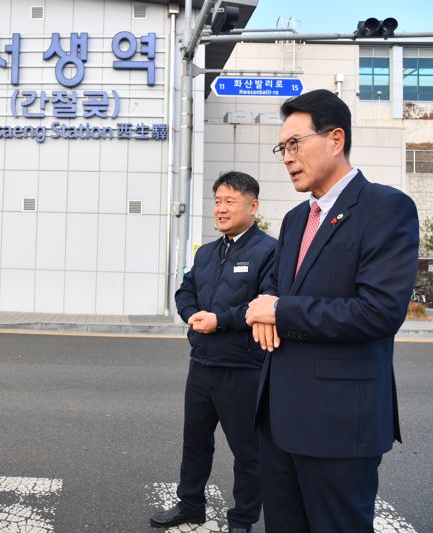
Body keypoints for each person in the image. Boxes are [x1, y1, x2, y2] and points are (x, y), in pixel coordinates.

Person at [245, 89, 419, 532]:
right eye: (282, 148)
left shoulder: (386, 208)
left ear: (335, 139)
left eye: (295, 144)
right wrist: (265, 307)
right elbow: (275, 285)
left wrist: (280, 312)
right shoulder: (294, 219)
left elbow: (378, 311)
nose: (287, 157)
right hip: (279, 419)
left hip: (339, 425)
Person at [150, 172, 275, 533]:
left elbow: (265, 304)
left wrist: (219, 321)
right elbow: (184, 292)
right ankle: (191, 505)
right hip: (202, 364)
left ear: (253, 206)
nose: (221, 209)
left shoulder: (269, 251)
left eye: (230, 201)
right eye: (217, 201)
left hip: (243, 367)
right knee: (195, 442)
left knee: (247, 452)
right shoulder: (206, 253)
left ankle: (242, 520)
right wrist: (192, 315)